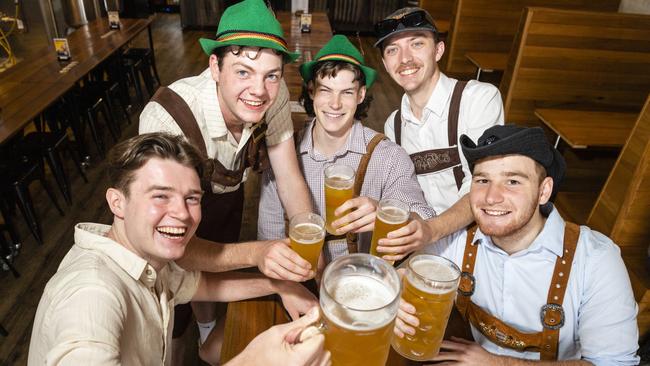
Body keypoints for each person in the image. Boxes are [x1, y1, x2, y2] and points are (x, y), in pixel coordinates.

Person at [27, 133, 325, 366]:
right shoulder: (91, 296)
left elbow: (202, 285)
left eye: (191, 198)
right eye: (160, 196)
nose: (182, 213)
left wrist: (278, 284)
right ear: (117, 202)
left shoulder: (143, 258)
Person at [138, 0, 314, 360]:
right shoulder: (169, 119)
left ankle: (206, 334)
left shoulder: (274, 95)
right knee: (171, 311)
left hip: (224, 197)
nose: (260, 90)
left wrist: (306, 234)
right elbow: (177, 247)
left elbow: (289, 176)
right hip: (162, 225)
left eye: (271, 74)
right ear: (215, 66)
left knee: (211, 283)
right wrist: (261, 254)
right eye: (243, 72)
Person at [394, 125, 640, 364]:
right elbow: (399, 277)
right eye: (482, 180)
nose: (491, 197)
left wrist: (495, 363)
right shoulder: (457, 241)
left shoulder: (595, 260)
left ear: (544, 191)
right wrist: (394, 301)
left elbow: (613, 363)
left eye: (512, 181)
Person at [258, 35, 434, 264]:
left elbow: (423, 215)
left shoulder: (389, 156)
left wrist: (384, 212)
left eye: (347, 92)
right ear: (311, 91)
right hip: (298, 280)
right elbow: (269, 238)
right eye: (325, 90)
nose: (335, 104)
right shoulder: (283, 157)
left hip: (362, 279)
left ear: (361, 95)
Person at [371, 7, 505, 256]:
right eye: (392, 50)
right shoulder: (394, 125)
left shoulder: (478, 100)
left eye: (417, 44)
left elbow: (485, 185)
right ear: (385, 64)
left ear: (438, 50)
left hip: (483, 246)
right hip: (426, 250)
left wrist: (431, 231)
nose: (405, 59)